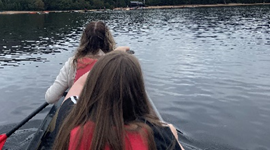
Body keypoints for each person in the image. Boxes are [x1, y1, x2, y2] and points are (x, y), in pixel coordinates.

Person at [52, 51, 184, 150]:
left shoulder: (71, 126)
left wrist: (106, 69)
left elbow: (79, 85)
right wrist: (170, 135)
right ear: (138, 91)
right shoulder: (158, 137)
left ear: (94, 85)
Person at [45, 21, 129, 104]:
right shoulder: (116, 63)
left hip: (79, 114)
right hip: (107, 114)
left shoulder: (72, 64)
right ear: (108, 40)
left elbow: (50, 98)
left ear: (84, 40)